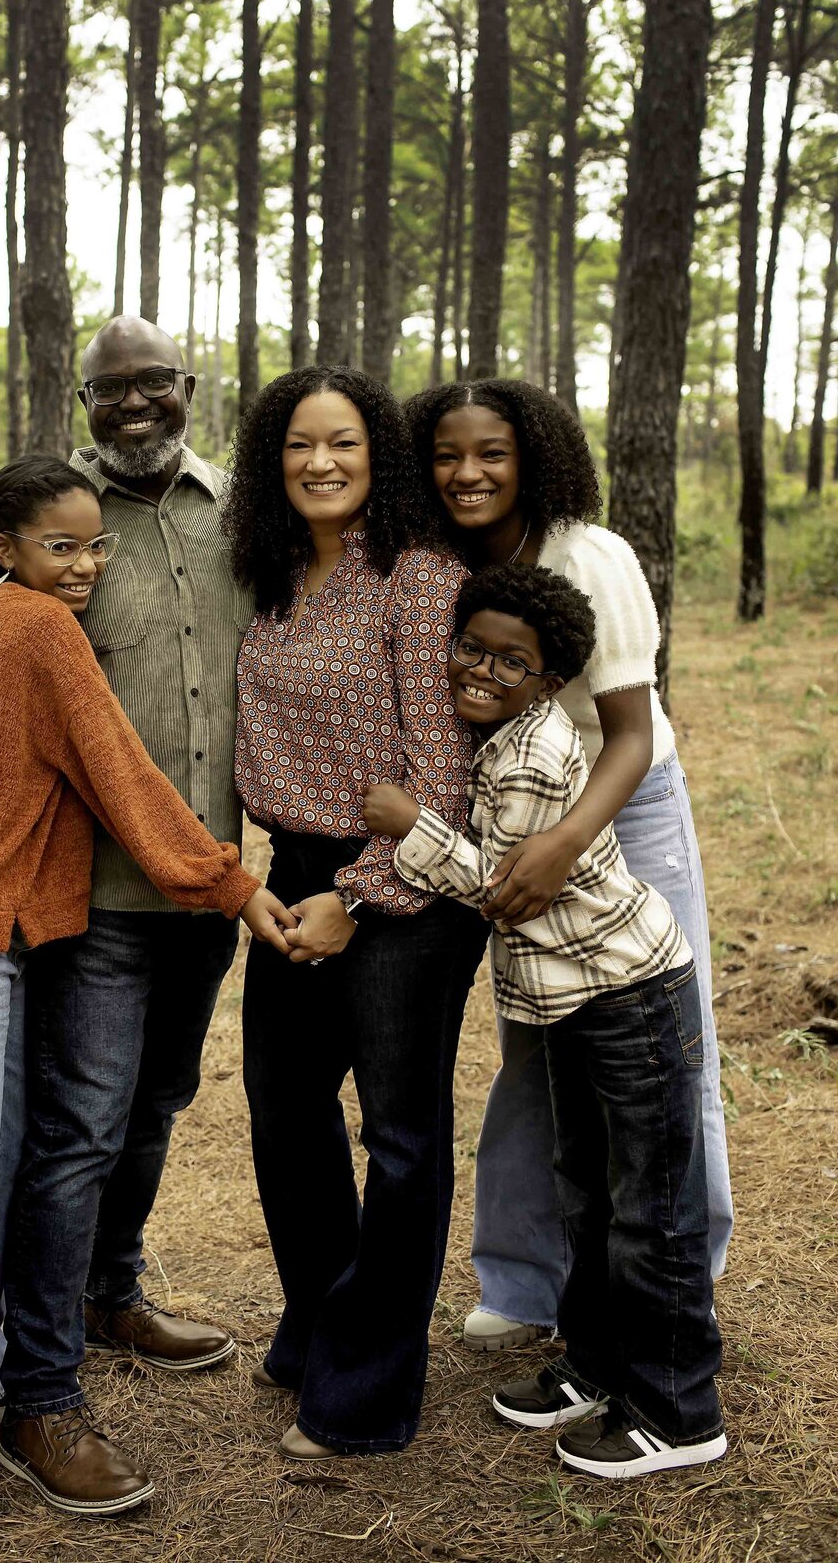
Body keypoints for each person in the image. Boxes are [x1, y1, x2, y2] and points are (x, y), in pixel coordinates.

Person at [0, 454, 290, 1556]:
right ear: (7, 547)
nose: (89, 565)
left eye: (98, 544)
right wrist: (236, 887)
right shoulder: (35, 626)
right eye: (64, 546)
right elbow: (122, 775)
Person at [364, 563, 726, 1479]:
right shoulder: (502, 735)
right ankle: (601, 1363)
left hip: (627, 990)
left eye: (510, 662)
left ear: (550, 678)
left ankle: (680, 1410)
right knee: (590, 1190)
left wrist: (410, 824)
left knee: (651, 1204)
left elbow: (504, 888)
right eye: (471, 648)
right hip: (575, 1001)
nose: (481, 670)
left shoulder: (529, 753)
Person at [405, 379, 732, 1353]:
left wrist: (563, 845)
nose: (469, 473)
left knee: (669, 1050)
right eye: (449, 455)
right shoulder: (437, 565)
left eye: (492, 452)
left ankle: (679, 1277)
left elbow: (629, 734)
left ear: (533, 456)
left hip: (622, 807)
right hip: (513, 813)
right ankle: (525, 1284)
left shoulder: (591, 555)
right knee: (539, 1055)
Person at [227, 367, 488, 1460]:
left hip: (405, 889)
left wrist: (354, 893)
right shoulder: (272, 576)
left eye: (342, 442)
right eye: (297, 443)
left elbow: (446, 776)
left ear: (377, 456)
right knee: (286, 1119)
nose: (318, 463)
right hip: (290, 873)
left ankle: (369, 1389)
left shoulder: (421, 581)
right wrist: (269, 887)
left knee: (402, 1137)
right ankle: (323, 1319)